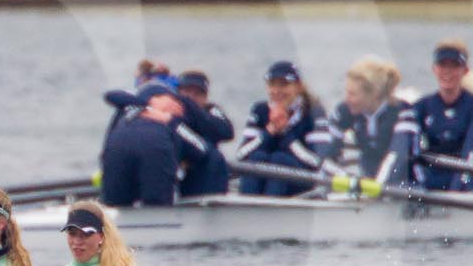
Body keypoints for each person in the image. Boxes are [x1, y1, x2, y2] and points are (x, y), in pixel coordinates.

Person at [235, 60, 335, 196]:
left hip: (303, 182)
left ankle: (271, 210)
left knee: (280, 159)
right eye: (272, 85)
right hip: (269, 178)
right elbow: (241, 156)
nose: (276, 91)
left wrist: (286, 133)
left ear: (298, 87)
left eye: (284, 84)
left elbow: (318, 162)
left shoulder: (314, 113)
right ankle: (245, 208)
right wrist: (268, 133)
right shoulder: (260, 110)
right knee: (256, 158)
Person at [409, 39, 473, 190]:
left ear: (465, 71)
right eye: (442, 65)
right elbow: (411, 150)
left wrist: (455, 191)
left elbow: (471, 152)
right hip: (433, 173)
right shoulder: (421, 107)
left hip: (466, 175)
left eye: (454, 66)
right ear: (434, 69)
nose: (447, 71)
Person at [99, 81, 189, 207]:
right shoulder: (173, 114)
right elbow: (200, 150)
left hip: (117, 143)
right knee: (157, 204)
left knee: (114, 203)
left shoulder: (126, 108)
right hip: (154, 144)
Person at [330, 56, 418, 184]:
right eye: (346, 92)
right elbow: (326, 153)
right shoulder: (346, 110)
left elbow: (397, 157)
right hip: (371, 185)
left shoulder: (403, 112)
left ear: (374, 94)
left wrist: (375, 187)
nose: (347, 99)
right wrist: (346, 178)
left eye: (352, 94)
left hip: (407, 185)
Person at [174, 70, 236, 198]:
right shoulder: (171, 114)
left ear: (206, 97)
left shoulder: (212, 110)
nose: (191, 97)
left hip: (205, 174)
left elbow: (227, 132)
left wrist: (193, 111)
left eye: (197, 93)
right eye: (187, 92)